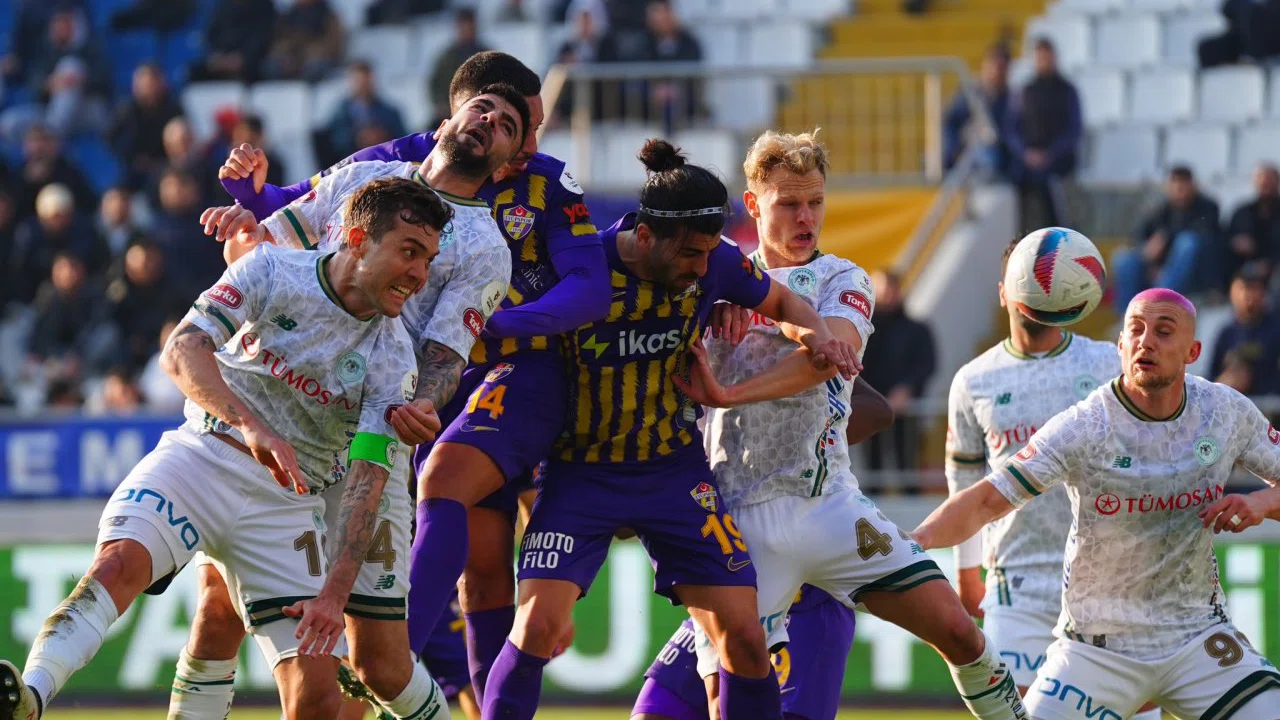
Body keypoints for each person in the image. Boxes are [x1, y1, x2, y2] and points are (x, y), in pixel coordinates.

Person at [216, 51, 610, 710]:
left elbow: (591, 287)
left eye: (525, 126)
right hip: (404, 383)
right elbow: (301, 212)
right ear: (457, 111)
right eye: (508, 119)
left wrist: (497, 325)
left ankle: (392, 659)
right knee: (480, 569)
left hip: (506, 366)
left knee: (446, 485)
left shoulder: (545, 182)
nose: (529, 142)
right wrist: (250, 198)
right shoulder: (392, 163)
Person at [0, 177, 451, 720]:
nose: (419, 275)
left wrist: (334, 596)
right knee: (117, 566)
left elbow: (367, 480)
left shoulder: (394, 359)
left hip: (288, 505)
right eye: (409, 252)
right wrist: (251, 425)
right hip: (201, 457)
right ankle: (31, 697)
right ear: (357, 239)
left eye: (427, 260)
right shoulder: (271, 270)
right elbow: (183, 349)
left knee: (316, 700)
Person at [171, 85, 529, 720]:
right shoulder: (364, 178)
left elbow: (446, 354)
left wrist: (423, 405)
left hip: (367, 435)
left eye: (506, 125)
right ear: (449, 116)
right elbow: (267, 247)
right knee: (219, 610)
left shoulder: (485, 247)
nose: (489, 122)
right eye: (482, 108)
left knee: (378, 662)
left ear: (508, 161)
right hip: (286, 418)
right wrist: (241, 226)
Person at [483, 139, 859, 720]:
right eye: (690, 254)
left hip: (673, 472)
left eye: (710, 253)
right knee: (536, 626)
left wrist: (819, 339)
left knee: (746, 635)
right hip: (582, 474)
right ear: (646, 235)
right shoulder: (583, 267)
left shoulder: (719, 263)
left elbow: (787, 304)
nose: (702, 268)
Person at [662, 130, 1026, 720]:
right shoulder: (715, 276)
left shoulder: (843, 279)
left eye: (815, 202)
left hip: (830, 507)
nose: (806, 218)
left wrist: (731, 389)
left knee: (960, 633)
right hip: (741, 517)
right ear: (753, 205)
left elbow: (827, 354)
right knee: (723, 701)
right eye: (788, 204)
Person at [915, 288, 1280, 720]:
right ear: (1120, 346)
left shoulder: (1225, 412)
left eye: (1164, 332)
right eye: (1136, 331)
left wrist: (1263, 501)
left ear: (1193, 351)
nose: (1146, 342)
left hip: (1196, 637)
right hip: (1097, 649)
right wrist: (911, 546)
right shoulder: (1085, 426)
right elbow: (985, 500)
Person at [946, 238, 1169, 719]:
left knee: (1134, 710)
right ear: (1003, 292)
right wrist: (966, 572)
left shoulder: (1106, 363)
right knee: (1017, 713)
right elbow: (964, 480)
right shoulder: (973, 380)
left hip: (1110, 578)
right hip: (1017, 583)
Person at [634, 377, 895, 720]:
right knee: (655, 713)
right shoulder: (662, 367)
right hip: (729, 585)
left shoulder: (783, 353)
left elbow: (877, 409)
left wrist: (794, 445)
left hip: (805, 591)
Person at [1112, 166, 1221, 309]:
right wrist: (1148, 255)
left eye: (1183, 186)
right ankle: (1128, 313)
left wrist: (1165, 237)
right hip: (1158, 270)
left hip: (1195, 277)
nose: (1180, 191)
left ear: (1193, 186)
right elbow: (1138, 235)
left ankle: (1160, 300)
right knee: (1124, 258)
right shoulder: (1161, 210)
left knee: (1187, 242)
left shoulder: (1208, 207)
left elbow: (1202, 234)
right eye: (1176, 186)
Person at [1210, 261, 1280, 396]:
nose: (1249, 295)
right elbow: (1210, 378)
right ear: (1232, 292)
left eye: (1255, 288)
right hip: (1231, 403)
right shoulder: (1226, 333)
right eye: (1243, 288)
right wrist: (1225, 383)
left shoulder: (1276, 329)